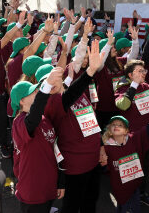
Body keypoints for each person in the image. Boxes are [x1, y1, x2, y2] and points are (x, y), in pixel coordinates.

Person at [43, 22, 106, 213]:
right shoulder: (54, 103)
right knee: (72, 206)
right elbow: (71, 94)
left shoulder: (76, 93)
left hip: (93, 161)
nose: (52, 84)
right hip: (74, 167)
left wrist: (102, 146)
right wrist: (89, 72)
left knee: (90, 202)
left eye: (54, 79)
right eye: (46, 83)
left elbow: (92, 121)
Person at [11, 67, 65, 213]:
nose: (37, 92)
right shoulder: (19, 122)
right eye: (33, 91)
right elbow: (32, 119)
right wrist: (46, 87)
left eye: (37, 90)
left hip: (48, 187)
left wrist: (60, 182)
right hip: (32, 190)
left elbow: (55, 151)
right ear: (22, 101)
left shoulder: (44, 119)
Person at [0, 10, 26, 157]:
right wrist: (19, 23)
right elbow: (8, 36)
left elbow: (15, 40)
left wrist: (21, 26)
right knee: (1, 117)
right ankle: (2, 144)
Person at [102, 115, 149, 213]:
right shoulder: (106, 148)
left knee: (135, 206)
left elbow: (146, 129)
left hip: (134, 183)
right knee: (123, 206)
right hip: (119, 185)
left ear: (126, 131)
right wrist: (103, 162)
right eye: (113, 125)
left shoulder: (133, 138)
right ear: (109, 130)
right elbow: (103, 166)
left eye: (120, 125)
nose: (117, 126)